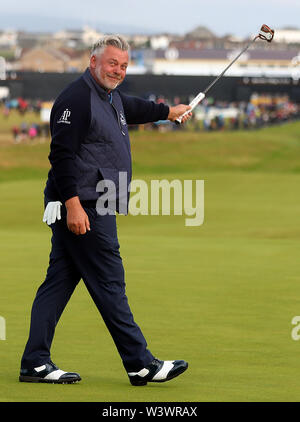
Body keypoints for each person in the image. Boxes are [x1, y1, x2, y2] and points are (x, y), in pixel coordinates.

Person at [19, 35, 192, 386]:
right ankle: (140, 363)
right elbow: (61, 155)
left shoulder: (109, 95)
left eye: (125, 65)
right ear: (93, 61)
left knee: (59, 281)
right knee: (110, 283)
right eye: (113, 63)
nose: (119, 71)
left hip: (92, 202)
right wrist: (72, 205)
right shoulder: (77, 98)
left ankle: (35, 362)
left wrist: (168, 112)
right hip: (85, 205)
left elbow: (136, 107)